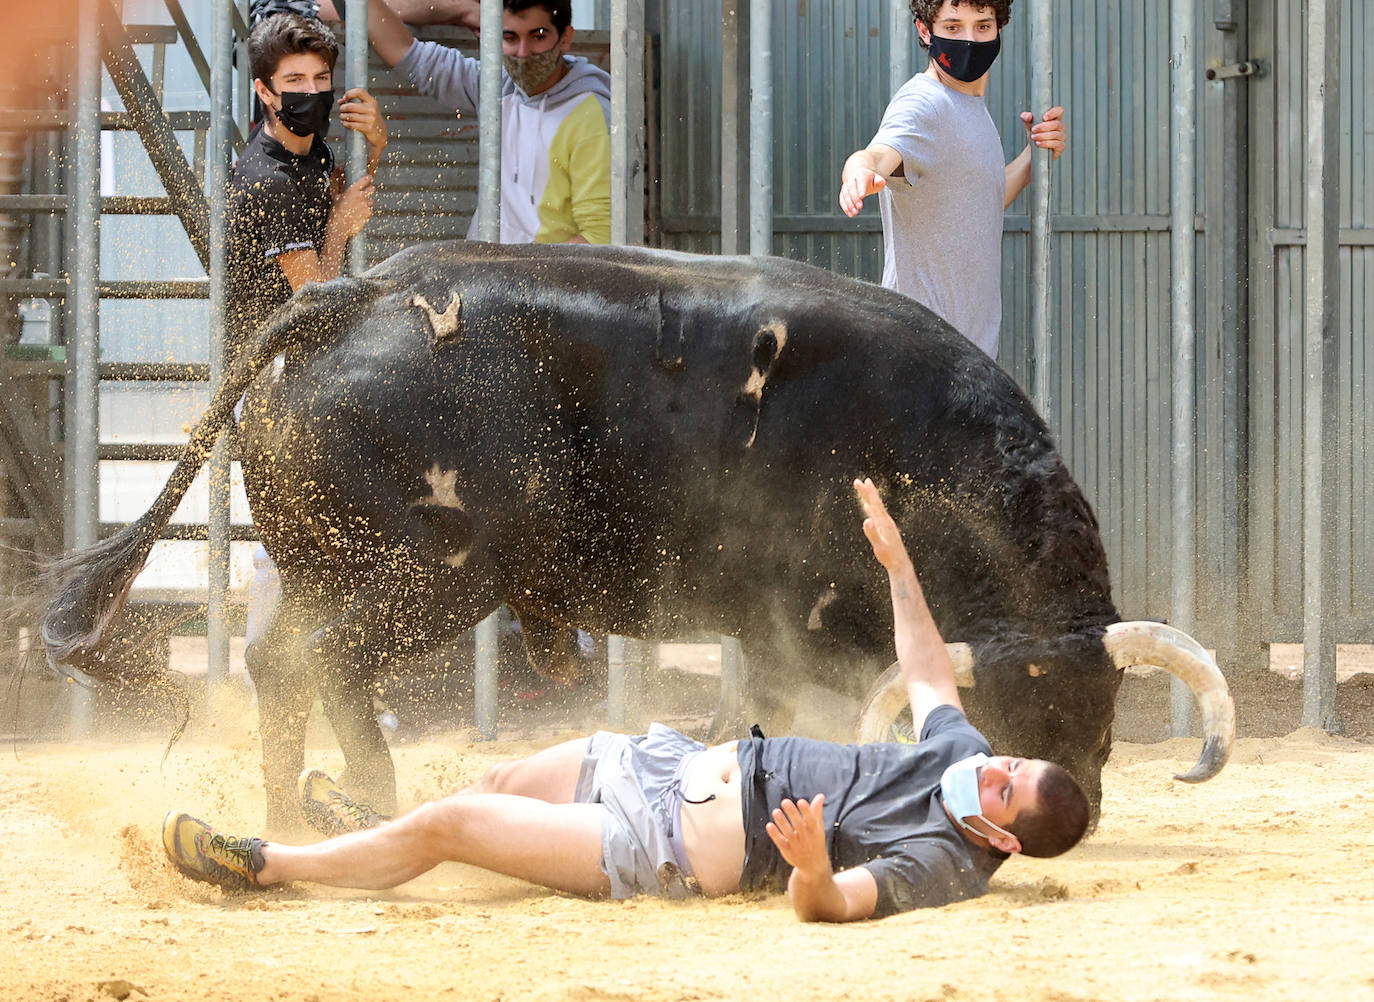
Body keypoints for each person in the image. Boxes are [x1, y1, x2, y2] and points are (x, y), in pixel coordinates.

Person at [163, 478, 1090, 922]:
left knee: (450, 823)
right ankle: (365, 833)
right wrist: (898, 564)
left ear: (1001, 839)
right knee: (490, 781)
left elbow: (833, 906)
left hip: (663, 846)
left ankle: (268, 865)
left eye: (1007, 786)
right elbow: (927, 667)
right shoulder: (958, 760)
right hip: (669, 763)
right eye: (1010, 761)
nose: (994, 768)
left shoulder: (944, 862)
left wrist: (808, 865)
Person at [227, 10, 387, 649]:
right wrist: (340, 228)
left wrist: (379, 142)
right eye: (294, 80)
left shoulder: (312, 149)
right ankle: (272, 686)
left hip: (309, 364)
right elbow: (314, 295)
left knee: (336, 534)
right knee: (292, 548)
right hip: (271, 379)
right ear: (264, 92)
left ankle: (332, 677)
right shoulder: (267, 178)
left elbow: (356, 199)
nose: (311, 92)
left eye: (321, 77)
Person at [838, 0, 1067, 360]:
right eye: (953, 27)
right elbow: (878, 153)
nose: (970, 40)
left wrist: (1034, 155)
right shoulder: (924, 104)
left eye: (983, 26)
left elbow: (975, 200)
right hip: (920, 357)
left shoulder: (967, 106)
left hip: (965, 356)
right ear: (925, 31)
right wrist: (861, 171)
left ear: (998, 28)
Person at [357, 0, 611, 245]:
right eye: (510, 37)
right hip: (490, 278)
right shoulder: (497, 88)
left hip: (545, 285)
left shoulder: (591, 117)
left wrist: (520, 274)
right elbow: (407, 54)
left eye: (538, 36)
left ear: (565, 37)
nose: (523, 53)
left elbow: (599, 238)